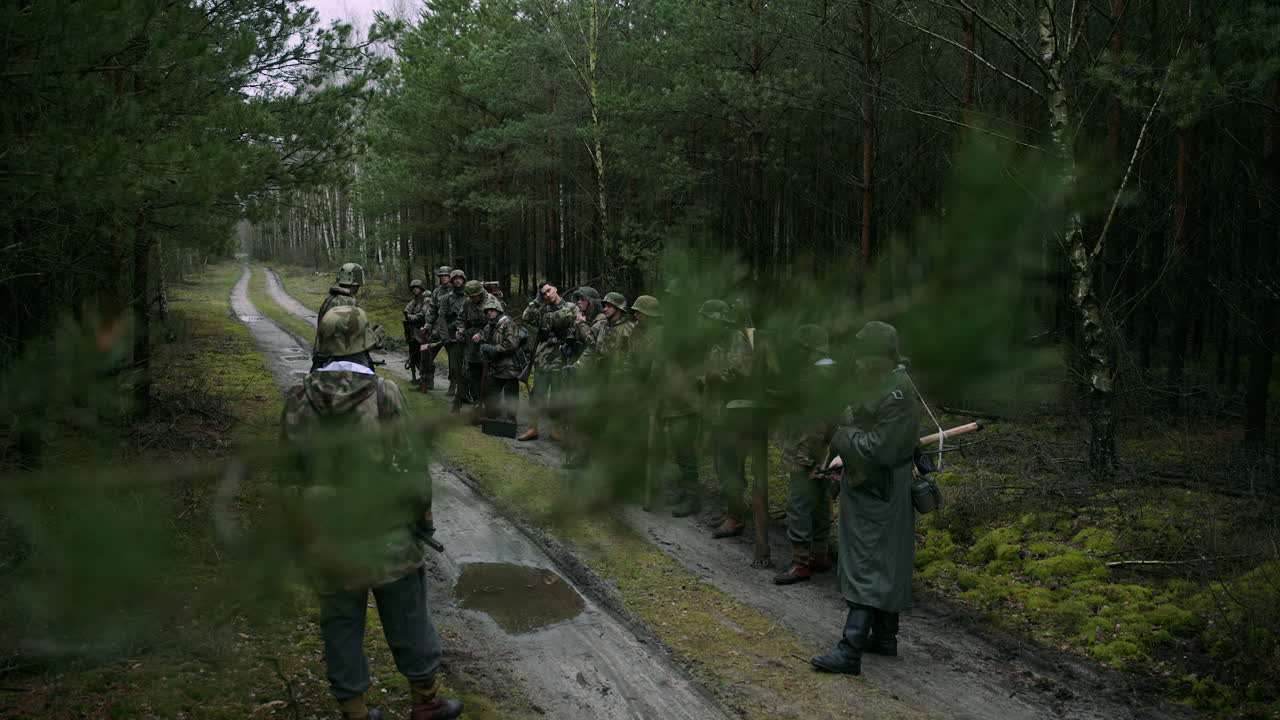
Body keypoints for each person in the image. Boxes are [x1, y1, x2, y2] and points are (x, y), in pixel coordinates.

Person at [281, 306, 463, 720]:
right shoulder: (385, 393)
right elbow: (413, 468)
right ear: (367, 344)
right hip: (389, 534)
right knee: (409, 617)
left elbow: (288, 475)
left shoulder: (297, 398)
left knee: (340, 624)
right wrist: (423, 521)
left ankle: (355, 712)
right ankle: (426, 702)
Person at [811, 321, 919, 676]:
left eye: (862, 354)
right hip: (873, 487)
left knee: (867, 562)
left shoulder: (896, 392)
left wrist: (843, 435)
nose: (856, 360)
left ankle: (850, 649)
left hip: (879, 489)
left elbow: (879, 450)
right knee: (883, 559)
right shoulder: (883, 385)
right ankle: (885, 637)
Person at [773, 324, 837, 584]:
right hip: (825, 449)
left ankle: (800, 563)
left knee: (799, 504)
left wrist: (805, 458)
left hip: (809, 448)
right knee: (821, 501)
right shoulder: (828, 372)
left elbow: (815, 421)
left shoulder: (814, 378)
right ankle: (819, 554)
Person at [631, 295, 702, 517]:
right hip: (665, 402)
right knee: (675, 451)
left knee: (684, 452)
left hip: (682, 403)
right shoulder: (649, 334)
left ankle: (692, 498)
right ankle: (681, 490)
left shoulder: (662, 335)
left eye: (639, 312)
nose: (635, 315)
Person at [699, 299, 753, 539]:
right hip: (719, 412)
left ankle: (736, 517)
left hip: (734, 413)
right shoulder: (718, 339)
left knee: (731, 466)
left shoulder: (735, 338)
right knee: (723, 465)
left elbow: (738, 372)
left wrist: (709, 375)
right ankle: (732, 511)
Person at [518, 282, 572, 441]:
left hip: (560, 359)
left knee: (557, 396)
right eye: (543, 293)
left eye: (548, 290)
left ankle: (554, 429)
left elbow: (567, 321)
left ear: (556, 288)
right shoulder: (542, 309)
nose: (547, 294)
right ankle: (533, 428)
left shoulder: (570, 307)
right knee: (537, 395)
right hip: (541, 359)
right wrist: (535, 302)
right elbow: (526, 317)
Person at [453, 279, 500, 414]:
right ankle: (476, 402)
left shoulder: (492, 301)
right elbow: (461, 318)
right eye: (470, 296)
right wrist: (460, 330)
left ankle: (491, 406)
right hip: (471, 343)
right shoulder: (468, 301)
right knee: (473, 373)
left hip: (489, 342)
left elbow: (497, 322)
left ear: (480, 293)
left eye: (474, 296)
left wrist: (481, 334)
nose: (472, 299)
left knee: (489, 375)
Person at [312, 263, 363, 369]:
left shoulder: (332, 298)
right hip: (334, 361)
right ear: (356, 283)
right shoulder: (348, 302)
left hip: (322, 356)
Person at [479, 295, 522, 421]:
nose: (489, 313)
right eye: (487, 311)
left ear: (498, 310)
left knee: (511, 397)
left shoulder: (509, 324)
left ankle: (511, 419)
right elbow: (485, 340)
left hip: (510, 368)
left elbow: (511, 344)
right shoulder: (489, 327)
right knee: (491, 394)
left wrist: (492, 349)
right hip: (495, 367)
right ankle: (492, 416)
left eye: (492, 310)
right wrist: (482, 346)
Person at [571, 292, 634, 374]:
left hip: (620, 377)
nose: (605, 309)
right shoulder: (600, 325)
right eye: (605, 306)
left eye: (609, 306)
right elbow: (591, 349)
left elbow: (633, 355)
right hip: (599, 376)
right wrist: (576, 367)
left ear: (619, 308)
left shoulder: (629, 328)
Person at [439, 270, 468, 397]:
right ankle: (452, 385)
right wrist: (445, 336)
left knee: (467, 363)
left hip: (467, 334)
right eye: (455, 278)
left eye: (459, 278)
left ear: (463, 280)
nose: (457, 280)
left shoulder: (469, 296)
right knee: (453, 364)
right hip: (452, 334)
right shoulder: (446, 298)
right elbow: (442, 318)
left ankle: (466, 390)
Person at [403, 279, 431, 391]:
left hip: (423, 332)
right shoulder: (413, 301)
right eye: (413, 288)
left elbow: (423, 315)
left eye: (417, 288)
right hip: (413, 333)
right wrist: (408, 317)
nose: (415, 290)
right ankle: (415, 378)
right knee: (413, 356)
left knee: (423, 357)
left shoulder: (426, 300)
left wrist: (410, 317)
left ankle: (426, 380)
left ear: (421, 288)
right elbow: (406, 312)